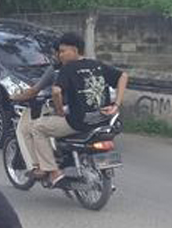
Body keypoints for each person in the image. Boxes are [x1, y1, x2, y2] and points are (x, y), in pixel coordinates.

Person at [24, 32, 127, 187]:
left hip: (78, 123)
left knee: (37, 127)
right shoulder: (96, 65)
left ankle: (53, 172)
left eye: (63, 51)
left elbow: (56, 91)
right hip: (101, 121)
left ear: (74, 50)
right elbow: (123, 76)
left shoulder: (68, 68)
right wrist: (116, 104)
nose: (60, 55)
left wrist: (59, 110)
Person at [10, 44, 60, 179]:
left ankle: (40, 166)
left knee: (28, 129)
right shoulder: (86, 66)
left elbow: (35, 91)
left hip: (58, 111)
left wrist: (15, 97)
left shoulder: (55, 69)